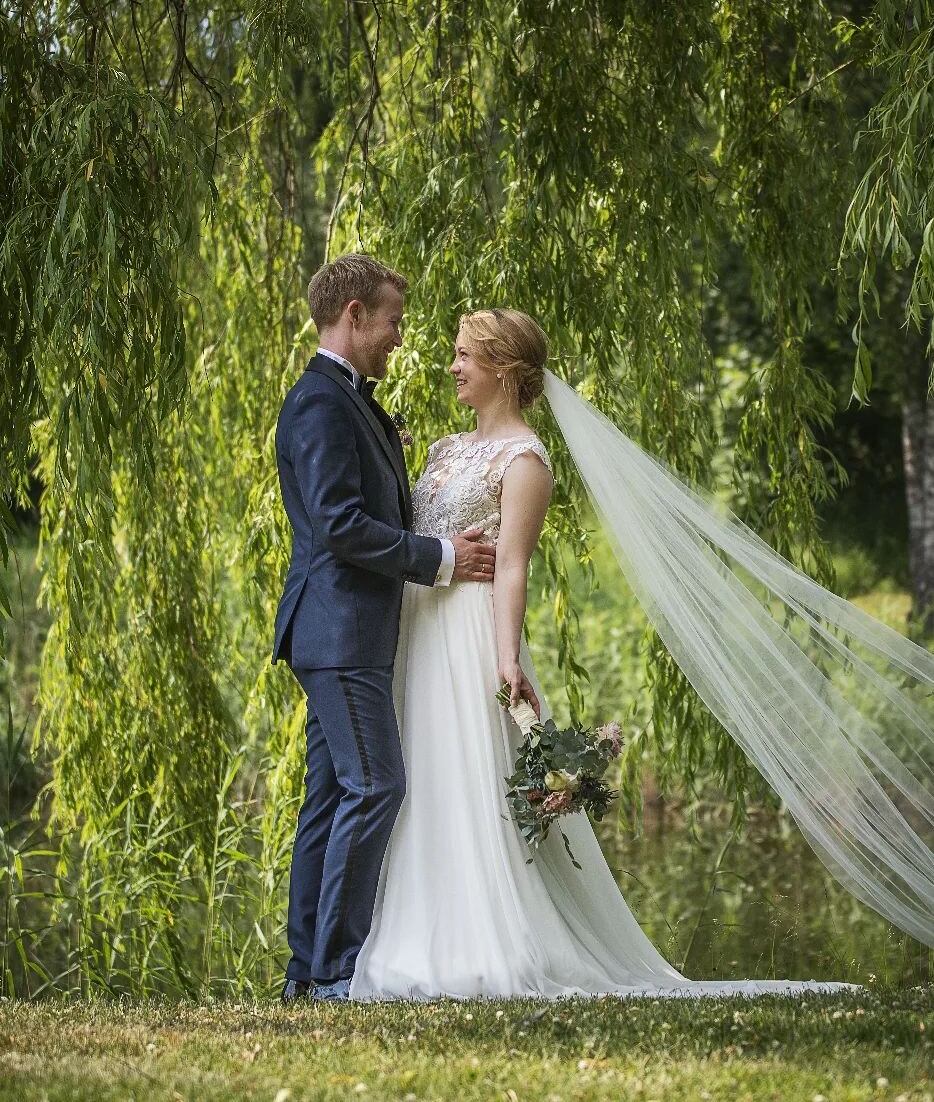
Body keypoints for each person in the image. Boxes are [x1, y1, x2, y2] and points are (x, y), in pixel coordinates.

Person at [350, 308, 858, 999]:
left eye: (466, 355)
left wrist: (506, 660)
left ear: (504, 368)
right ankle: (410, 930)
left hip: (471, 631)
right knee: (422, 776)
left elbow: (514, 567)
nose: (452, 366)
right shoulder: (440, 449)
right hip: (420, 624)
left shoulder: (526, 461)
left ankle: (481, 938)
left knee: (467, 774)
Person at [271, 255, 500, 1003]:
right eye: (394, 319)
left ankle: (309, 973)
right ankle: (334, 971)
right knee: (376, 785)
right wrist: (438, 557)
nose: (401, 336)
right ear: (356, 314)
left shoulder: (351, 401)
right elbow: (338, 524)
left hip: (346, 630)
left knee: (333, 794)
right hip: (338, 630)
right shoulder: (318, 404)